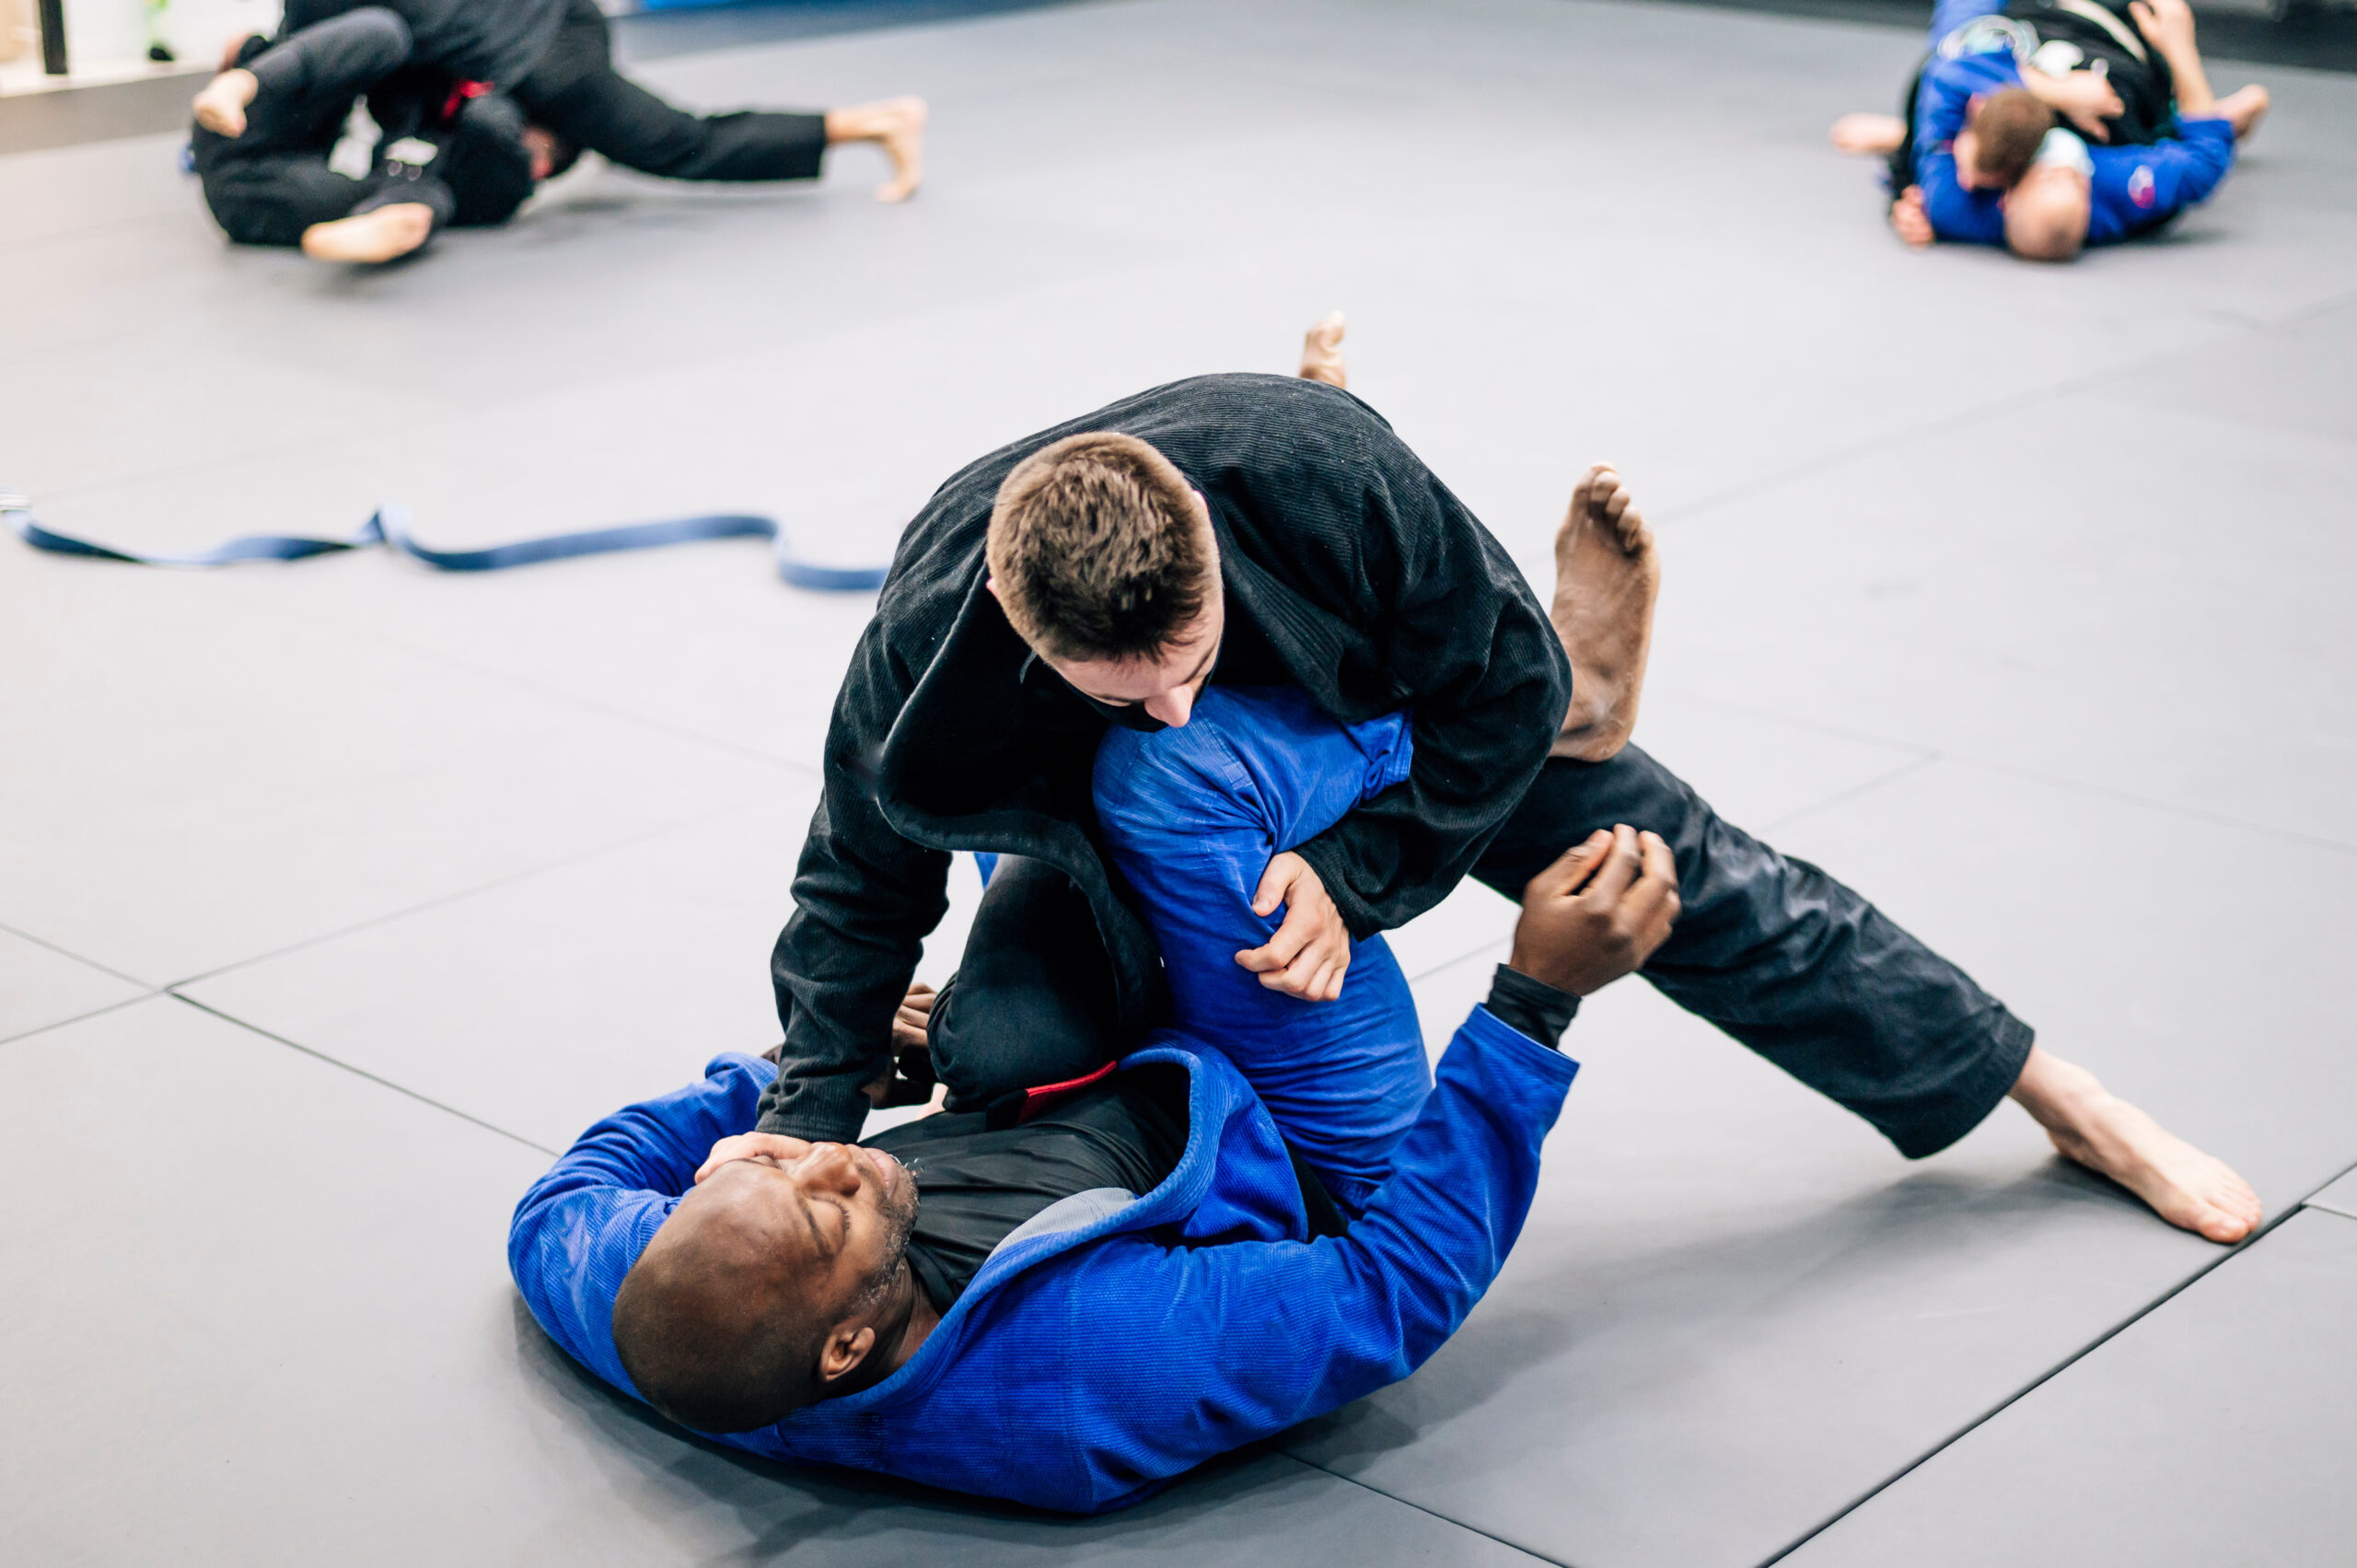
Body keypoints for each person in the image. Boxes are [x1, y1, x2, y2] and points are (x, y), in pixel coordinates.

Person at [761, 318, 2261, 1247]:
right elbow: (855, 878)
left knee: (1664, 863)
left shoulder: (1325, 476)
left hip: (1401, 718)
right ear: (1030, 634)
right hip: (1153, 825)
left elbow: (1498, 694)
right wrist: (811, 1115)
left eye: (1192, 651)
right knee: (1014, 1037)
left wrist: (1355, 878)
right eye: (1122, 686)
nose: (1172, 697)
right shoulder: (928, 647)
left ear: (1209, 547)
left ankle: (2059, 1091)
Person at [513, 646, 1680, 1512]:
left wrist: (771, 1089)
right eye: (827, 1203)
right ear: (843, 1353)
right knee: (1163, 776)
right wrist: (1533, 1001)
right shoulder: (1082, 1373)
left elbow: (557, 1206)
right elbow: (1390, 1292)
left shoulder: (675, 1314)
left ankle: (1264, 634)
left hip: (1070, 1077)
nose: (832, 1152)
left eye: (783, 1160)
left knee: (1016, 737)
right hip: (1296, 1139)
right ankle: (1530, 700)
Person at [191, 0, 925, 265]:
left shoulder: (537, 84)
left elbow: (323, 59)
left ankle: (876, 123)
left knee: (680, 144)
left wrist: (249, 75)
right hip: (548, 31)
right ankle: (870, 122)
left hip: (550, 56)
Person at [1830, 0, 2268, 261]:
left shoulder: (1957, 202)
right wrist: (2179, 45)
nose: (2063, 167)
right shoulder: (2116, 186)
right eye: (2070, 178)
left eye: (2046, 173)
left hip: (2017, 33)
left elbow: (1950, 70)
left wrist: (2058, 93)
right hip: (2112, 33)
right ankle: (2206, 115)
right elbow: (2204, 163)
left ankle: (1907, 133)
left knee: (1956, 46)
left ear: (2005, 194)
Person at [189, 12, 542, 261]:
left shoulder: (429, 177)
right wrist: (253, 54)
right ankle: (242, 85)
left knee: (425, 198)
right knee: (385, 32)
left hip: (261, 196)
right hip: (249, 124)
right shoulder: (438, 81)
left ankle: (379, 224)